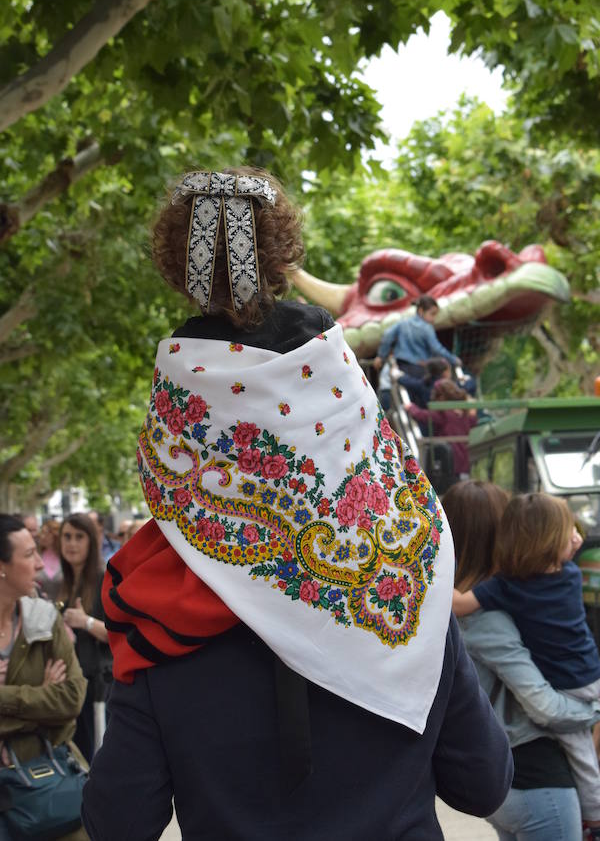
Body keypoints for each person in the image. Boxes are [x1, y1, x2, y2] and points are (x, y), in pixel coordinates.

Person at [82, 167, 512, 840]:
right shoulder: (404, 591)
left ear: (176, 449)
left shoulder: (158, 619)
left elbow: (119, 823)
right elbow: (482, 783)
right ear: (355, 424)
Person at [444, 481, 600, 840]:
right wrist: (592, 711)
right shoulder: (489, 617)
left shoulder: (476, 604)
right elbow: (544, 706)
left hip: (500, 776)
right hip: (535, 778)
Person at [0, 514, 88, 841]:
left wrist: (7, 697)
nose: (40, 563)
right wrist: (39, 700)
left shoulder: (43, 617)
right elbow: (54, 705)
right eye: (28, 555)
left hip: (50, 788)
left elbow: (70, 700)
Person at [58, 514, 111, 764]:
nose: (72, 543)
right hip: (69, 686)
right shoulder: (64, 583)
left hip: (97, 687)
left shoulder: (104, 578)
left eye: (79, 537)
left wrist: (85, 622)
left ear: (91, 541)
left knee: (94, 762)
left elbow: (119, 634)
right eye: (67, 536)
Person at [406, 378, 478, 481]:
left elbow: (421, 415)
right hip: (466, 463)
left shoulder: (444, 413)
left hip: (449, 464)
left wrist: (411, 407)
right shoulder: (465, 413)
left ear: (442, 397)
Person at [373, 294, 461, 380]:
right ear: (421, 311)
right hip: (420, 369)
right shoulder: (427, 327)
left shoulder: (403, 323)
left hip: (401, 367)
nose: (434, 319)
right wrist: (453, 359)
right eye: (432, 314)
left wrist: (381, 356)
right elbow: (436, 348)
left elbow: (387, 335)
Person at [36, 517, 63, 601]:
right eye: (41, 532)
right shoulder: (36, 556)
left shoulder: (65, 556)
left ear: (55, 535)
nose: (41, 536)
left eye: (45, 533)